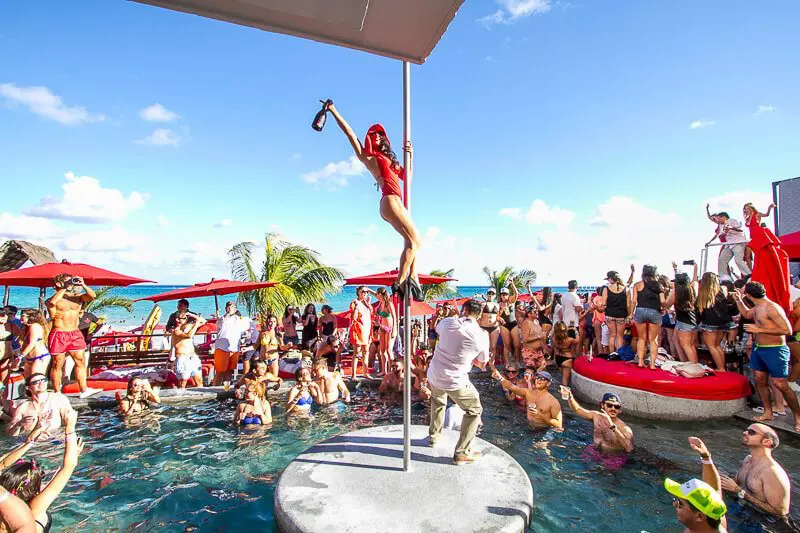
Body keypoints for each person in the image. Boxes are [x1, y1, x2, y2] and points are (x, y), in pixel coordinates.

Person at [327, 101, 422, 300]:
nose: (376, 136)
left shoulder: (392, 161)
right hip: (390, 201)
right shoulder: (369, 158)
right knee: (415, 241)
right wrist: (334, 110)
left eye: (379, 133)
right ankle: (401, 281)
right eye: (372, 135)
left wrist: (411, 157)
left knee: (411, 243)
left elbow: (408, 179)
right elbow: (350, 133)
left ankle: (411, 278)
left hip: (395, 202)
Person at [426, 299, 490, 466]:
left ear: (464, 310)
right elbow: (482, 363)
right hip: (455, 380)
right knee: (475, 410)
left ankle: (434, 437)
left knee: (438, 401)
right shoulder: (482, 335)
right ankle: (462, 452)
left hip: (435, 373)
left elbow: (438, 330)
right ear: (480, 315)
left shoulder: (448, 323)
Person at [0, 410, 84, 533]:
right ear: (33, 490)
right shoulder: (34, 509)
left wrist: (29, 442)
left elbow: (2, 464)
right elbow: (69, 466)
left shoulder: (3, 498)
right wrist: (70, 427)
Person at [732, 281, 799, 430]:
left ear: (749, 295)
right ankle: (768, 411)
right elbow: (746, 314)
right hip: (759, 349)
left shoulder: (772, 308)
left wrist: (759, 330)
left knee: (780, 384)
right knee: (759, 380)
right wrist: (738, 300)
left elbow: (787, 330)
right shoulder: (757, 307)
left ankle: (798, 418)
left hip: (775, 350)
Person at [718, 423, 791, 517]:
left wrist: (738, 490)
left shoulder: (772, 472)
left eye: (751, 432)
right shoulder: (748, 460)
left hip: (762, 521)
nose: (744, 433)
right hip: (741, 509)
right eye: (746, 430)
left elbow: (780, 512)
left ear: (766, 442)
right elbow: (736, 483)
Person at [45, 274, 99, 398]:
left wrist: (83, 284)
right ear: (58, 284)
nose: (70, 282)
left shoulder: (77, 298)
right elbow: (52, 303)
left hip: (74, 333)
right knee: (57, 363)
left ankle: (83, 389)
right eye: (66, 281)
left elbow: (92, 296)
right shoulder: (53, 299)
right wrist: (65, 287)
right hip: (59, 333)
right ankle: (57, 392)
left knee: (80, 361)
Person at [5, 374, 74, 440]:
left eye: (44, 380)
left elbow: (71, 420)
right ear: (28, 387)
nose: (41, 383)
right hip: (30, 443)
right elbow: (9, 435)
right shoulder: (23, 407)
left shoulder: (58, 399)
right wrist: (19, 424)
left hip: (55, 440)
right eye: (36, 382)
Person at [565, 390, 634, 455]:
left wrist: (612, 425)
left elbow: (629, 449)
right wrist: (570, 397)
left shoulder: (625, 428)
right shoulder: (596, 416)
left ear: (619, 410)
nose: (613, 408)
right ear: (602, 405)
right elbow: (577, 409)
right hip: (593, 451)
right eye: (609, 405)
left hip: (613, 457)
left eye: (616, 407)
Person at [493, 368, 563, 430]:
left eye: (542, 379)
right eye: (537, 377)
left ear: (548, 383)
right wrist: (500, 378)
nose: (538, 380)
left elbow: (559, 424)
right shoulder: (528, 393)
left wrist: (540, 415)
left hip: (543, 431)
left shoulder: (553, 401)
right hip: (528, 427)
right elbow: (511, 386)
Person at [629, 265, 665, 369]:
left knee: (641, 338)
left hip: (640, 311)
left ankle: (640, 362)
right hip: (654, 312)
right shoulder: (659, 285)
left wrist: (631, 314)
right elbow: (662, 301)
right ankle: (653, 364)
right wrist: (663, 308)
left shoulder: (637, 285)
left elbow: (634, 301)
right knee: (653, 340)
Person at [697, 272, 734, 371]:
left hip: (710, 323)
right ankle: (722, 368)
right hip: (724, 322)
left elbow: (700, 310)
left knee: (711, 346)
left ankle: (721, 368)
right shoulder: (723, 289)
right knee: (717, 346)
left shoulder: (703, 293)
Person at [706, 204, 751, 282]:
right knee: (722, 260)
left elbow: (741, 230)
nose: (718, 220)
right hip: (728, 245)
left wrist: (731, 228)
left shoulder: (733, 221)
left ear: (724, 217)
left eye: (719, 218)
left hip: (738, 243)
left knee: (738, 260)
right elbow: (719, 234)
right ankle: (724, 278)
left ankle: (749, 275)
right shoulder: (721, 226)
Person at [667, 264, 700, 363]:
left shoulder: (676, 292)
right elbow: (695, 280)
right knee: (676, 341)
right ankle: (685, 363)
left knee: (687, 346)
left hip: (684, 321)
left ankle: (694, 367)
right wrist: (695, 269)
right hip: (692, 320)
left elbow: (667, 304)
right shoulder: (693, 287)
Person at [212, 302, 250, 386]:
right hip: (222, 348)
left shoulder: (239, 319)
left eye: (232, 307)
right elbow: (221, 323)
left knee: (230, 371)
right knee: (220, 372)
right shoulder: (222, 319)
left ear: (235, 309)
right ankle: (215, 389)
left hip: (234, 348)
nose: (229, 309)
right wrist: (224, 316)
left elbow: (246, 327)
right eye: (228, 307)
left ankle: (226, 388)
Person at [171, 312, 206, 388]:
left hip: (192, 357)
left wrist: (192, 315)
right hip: (183, 358)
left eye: (186, 318)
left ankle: (200, 396)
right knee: (183, 383)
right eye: (184, 318)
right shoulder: (176, 331)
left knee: (199, 381)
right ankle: (180, 396)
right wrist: (196, 324)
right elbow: (188, 336)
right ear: (177, 319)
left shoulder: (188, 326)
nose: (186, 319)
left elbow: (203, 321)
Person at [349, 287, 373, 379]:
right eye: (363, 291)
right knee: (357, 352)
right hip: (359, 329)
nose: (365, 293)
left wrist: (368, 302)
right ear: (358, 292)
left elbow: (370, 314)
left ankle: (365, 372)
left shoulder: (366, 303)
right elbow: (353, 317)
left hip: (367, 329)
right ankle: (353, 374)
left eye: (366, 292)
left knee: (366, 351)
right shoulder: (355, 302)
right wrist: (357, 307)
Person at [19, 311, 50, 379]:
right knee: (28, 382)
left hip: (39, 357)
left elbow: (32, 343)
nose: (21, 317)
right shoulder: (26, 327)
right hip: (30, 358)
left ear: (30, 316)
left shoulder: (35, 326)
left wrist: (20, 357)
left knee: (36, 381)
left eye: (23, 315)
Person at [374, 287, 397, 376]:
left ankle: (391, 371)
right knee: (382, 350)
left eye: (377, 294)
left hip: (389, 327)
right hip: (382, 327)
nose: (376, 296)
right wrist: (368, 289)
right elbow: (374, 294)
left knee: (388, 350)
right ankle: (384, 371)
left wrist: (395, 329)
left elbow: (394, 317)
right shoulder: (381, 303)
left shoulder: (389, 304)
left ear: (380, 294)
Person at [498, 283, 520, 368]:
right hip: (504, 325)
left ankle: (517, 360)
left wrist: (512, 284)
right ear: (500, 295)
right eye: (502, 294)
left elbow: (516, 294)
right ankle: (507, 362)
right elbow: (497, 316)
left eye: (506, 294)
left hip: (513, 323)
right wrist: (501, 313)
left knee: (517, 344)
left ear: (508, 295)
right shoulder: (499, 304)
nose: (504, 296)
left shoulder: (511, 301)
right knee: (506, 345)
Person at [551, 322, 578, 386]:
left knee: (563, 377)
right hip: (567, 359)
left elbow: (553, 333)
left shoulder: (553, 339)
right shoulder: (569, 340)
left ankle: (563, 392)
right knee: (565, 380)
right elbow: (578, 340)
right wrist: (576, 331)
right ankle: (564, 394)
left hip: (558, 358)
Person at [479, 288, 501, 363]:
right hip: (484, 327)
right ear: (487, 294)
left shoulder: (497, 305)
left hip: (494, 327)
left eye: (492, 294)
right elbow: (479, 315)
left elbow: (497, 316)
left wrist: (500, 319)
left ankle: (492, 363)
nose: (491, 295)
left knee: (493, 347)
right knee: (484, 346)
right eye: (489, 293)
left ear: (495, 295)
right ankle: (483, 363)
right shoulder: (483, 304)